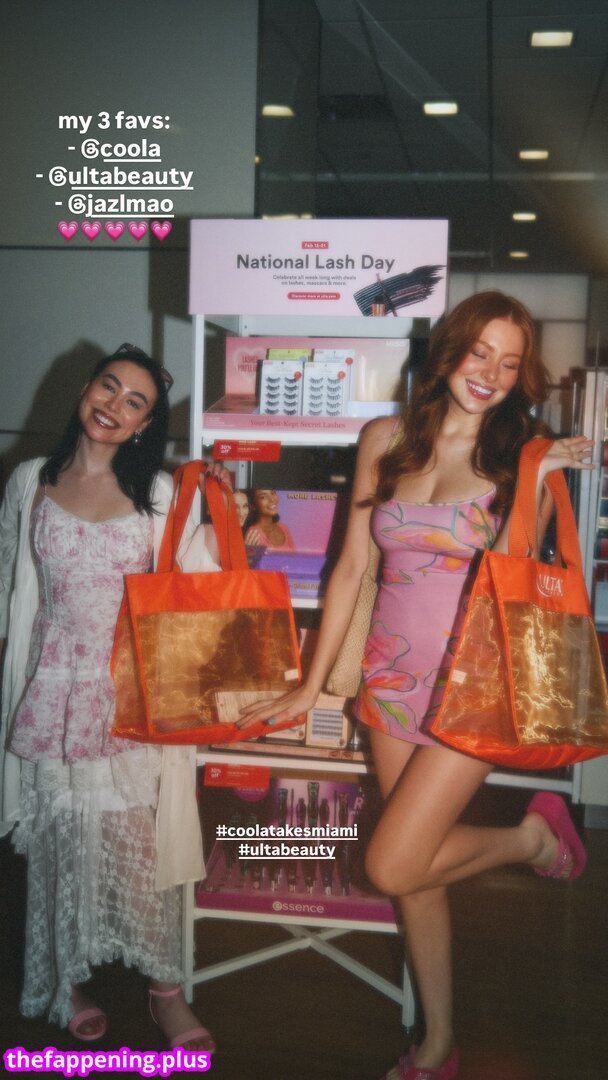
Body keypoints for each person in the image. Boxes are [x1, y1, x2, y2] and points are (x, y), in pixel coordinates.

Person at [237, 291, 593, 1080]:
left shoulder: (522, 454)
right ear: (450, 351)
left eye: (509, 364)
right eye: (479, 353)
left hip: (473, 689)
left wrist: (541, 477)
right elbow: (352, 568)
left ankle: (533, 840)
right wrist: (310, 687)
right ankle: (438, 1043)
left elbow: (516, 577)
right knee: (417, 875)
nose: (491, 374)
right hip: (388, 684)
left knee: (392, 864)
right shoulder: (385, 439)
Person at [0, 344, 224, 1051]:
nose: (114, 406)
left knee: (137, 845)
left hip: (127, 696)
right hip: (50, 689)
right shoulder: (31, 481)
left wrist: (223, 513)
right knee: (60, 839)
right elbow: (11, 589)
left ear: (144, 425)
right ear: (85, 388)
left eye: (135, 402)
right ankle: (65, 981)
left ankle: (166, 990)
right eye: (108, 387)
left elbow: (199, 584)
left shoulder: (159, 491)